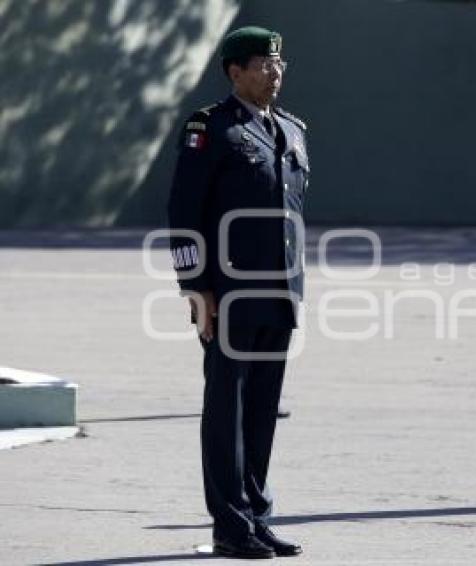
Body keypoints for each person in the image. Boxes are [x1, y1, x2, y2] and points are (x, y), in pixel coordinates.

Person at [168, 25, 308, 558]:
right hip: (228, 294)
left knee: (263, 407)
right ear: (235, 72)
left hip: (279, 292)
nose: (275, 73)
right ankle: (228, 525)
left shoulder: (291, 131)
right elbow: (183, 214)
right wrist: (194, 287)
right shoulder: (210, 129)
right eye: (263, 65)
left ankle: (256, 514)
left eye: (279, 64)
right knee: (227, 407)